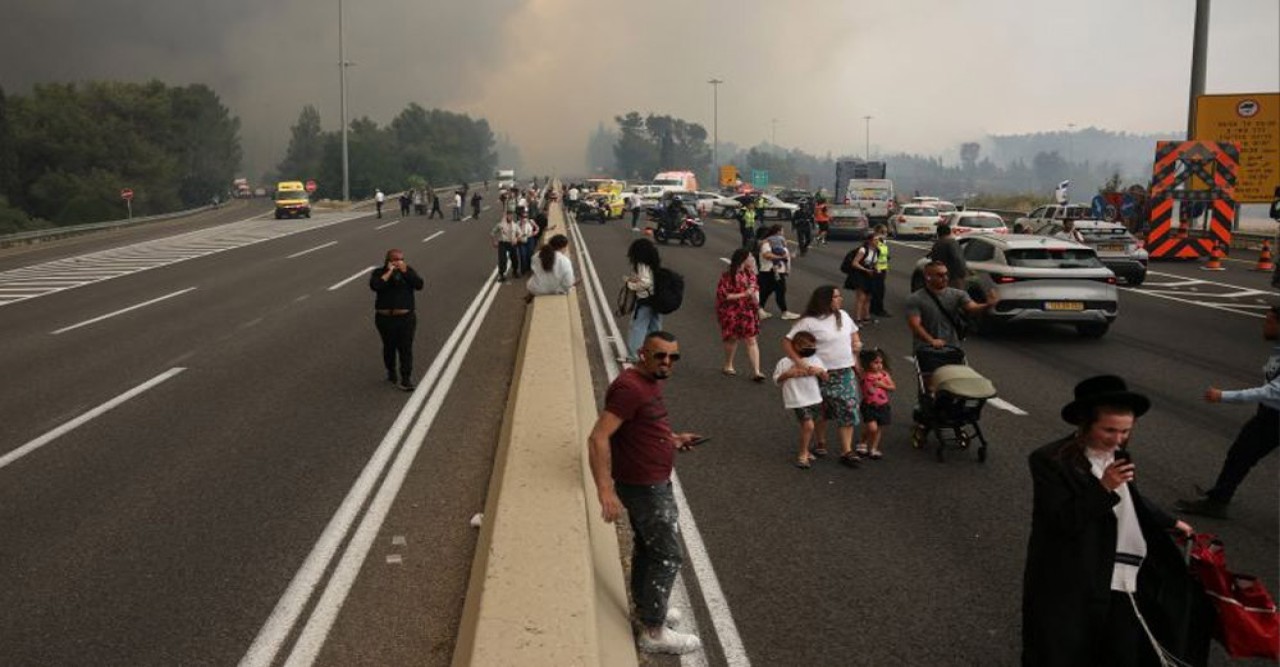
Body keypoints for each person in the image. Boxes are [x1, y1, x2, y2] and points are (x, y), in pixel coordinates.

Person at [1023, 375, 1196, 667]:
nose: (1117, 439)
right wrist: (1103, 487)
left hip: (1123, 570)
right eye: (1109, 430)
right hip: (1074, 575)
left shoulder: (1118, 454)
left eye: (1125, 431)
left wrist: (1170, 522)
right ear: (1085, 424)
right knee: (1064, 649)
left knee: (1120, 649)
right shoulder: (1049, 460)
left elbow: (1131, 499)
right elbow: (1062, 521)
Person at [586, 331, 704, 655]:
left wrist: (674, 439)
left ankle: (648, 607)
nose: (667, 362)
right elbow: (597, 438)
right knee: (668, 554)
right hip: (645, 488)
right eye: (660, 355)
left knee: (648, 548)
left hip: (651, 481)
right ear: (643, 354)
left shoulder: (648, 383)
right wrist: (605, 490)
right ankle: (654, 631)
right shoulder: (630, 388)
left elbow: (640, 427)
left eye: (673, 357)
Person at [1175, 304, 1280, 518]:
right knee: (1240, 454)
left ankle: (1217, 501)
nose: (1264, 325)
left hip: (1274, 417)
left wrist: (1222, 396)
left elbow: (1271, 393)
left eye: (1269, 322)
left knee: (1241, 454)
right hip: (1269, 415)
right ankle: (1219, 497)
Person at [782, 286, 865, 467]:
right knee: (821, 410)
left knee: (849, 407)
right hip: (818, 373)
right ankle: (820, 441)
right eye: (836, 297)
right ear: (824, 300)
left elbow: (853, 333)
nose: (840, 299)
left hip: (844, 371)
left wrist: (857, 343)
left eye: (839, 296)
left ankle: (846, 451)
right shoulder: (809, 322)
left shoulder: (843, 315)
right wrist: (801, 362)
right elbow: (787, 342)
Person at [905, 261, 997, 350]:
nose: (945, 278)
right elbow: (915, 325)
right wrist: (931, 341)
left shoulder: (958, 294)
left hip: (952, 348)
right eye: (940, 275)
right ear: (928, 277)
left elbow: (972, 308)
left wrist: (988, 305)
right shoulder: (915, 299)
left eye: (946, 274)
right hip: (926, 349)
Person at [368, 249, 424, 391]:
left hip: (405, 318)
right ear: (387, 261)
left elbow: (419, 285)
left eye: (401, 259)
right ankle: (391, 371)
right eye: (394, 260)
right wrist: (388, 273)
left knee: (405, 347)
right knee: (389, 346)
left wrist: (405, 272)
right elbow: (375, 286)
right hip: (384, 319)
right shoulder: (378, 273)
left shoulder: (408, 271)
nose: (398, 262)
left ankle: (406, 379)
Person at [773, 330, 828, 469]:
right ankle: (802, 455)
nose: (810, 348)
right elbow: (776, 380)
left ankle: (807, 449)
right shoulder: (784, 362)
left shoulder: (815, 359)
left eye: (812, 345)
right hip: (798, 399)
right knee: (808, 425)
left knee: (811, 425)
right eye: (806, 345)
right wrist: (788, 374)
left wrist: (820, 372)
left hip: (815, 398)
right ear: (795, 346)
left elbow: (826, 377)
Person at [715, 248, 764, 381]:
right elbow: (723, 295)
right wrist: (744, 294)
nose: (752, 260)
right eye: (750, 258)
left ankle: (757, 371)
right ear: (743, 259)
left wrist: (755, 298)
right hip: (731, 312)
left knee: (751, 339)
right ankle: (728, 364)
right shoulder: (728, 276)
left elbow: (755, 290)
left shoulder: (751, 275)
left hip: (748, 311)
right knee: (732, 339)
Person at [622, 239, 663, 363]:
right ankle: (656, 351)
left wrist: (630, 285)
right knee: (654, 327)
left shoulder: (641, 265)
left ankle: (634, 355)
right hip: (657, 299)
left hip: (645, 300)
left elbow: (645, 282)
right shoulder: (653, 263)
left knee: (637, 327)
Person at [858, 348, 895, 460]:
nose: (879, 365)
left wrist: (882, 385)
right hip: (869, 405)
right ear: (868, 363)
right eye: (875, 363)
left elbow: (893, 387)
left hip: (883, 405)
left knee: (878, 428)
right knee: (872, 428)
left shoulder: (884, 375)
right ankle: (863, 441)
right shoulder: (864, 374)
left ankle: (873, 448)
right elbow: (856, 366)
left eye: (881, 362)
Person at [757, 225, 799, 320]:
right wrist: (782, 257)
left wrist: (790, 257)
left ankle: (759, 309)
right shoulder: (768, 243)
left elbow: (784, 255)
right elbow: (766, 255)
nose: (783, 234)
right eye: (782, 231)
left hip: (777, 271)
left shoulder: (778, 243)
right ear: (778, 232)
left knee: (767, 291)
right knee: (780, 290)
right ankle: (784, 312)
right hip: (772, 271)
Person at [842, 233, 879, 324]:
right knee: (861, 297)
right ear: (869, 241)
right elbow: (854, 263)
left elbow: (874, 262)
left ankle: (866, 317)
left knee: (869, 297)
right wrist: (865, 270)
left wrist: (876, 269)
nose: (878, 241)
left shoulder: (877, 250)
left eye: (878, 240)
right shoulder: (863, 250)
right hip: (859, 275)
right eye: (875, 240)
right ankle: (857, 319)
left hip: (869, 274)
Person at [928, 223, 967, 290]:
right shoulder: (952, 243)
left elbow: (934, 260)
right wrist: (963, 273)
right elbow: (958, 259)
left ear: (938, 233)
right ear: (949, 232)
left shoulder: (937, 244)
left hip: (940, 276)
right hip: (953, 277)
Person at [490, 213, 521, 283]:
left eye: (511, 216)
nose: (510, 217)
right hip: (503, 243)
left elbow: (520, 234)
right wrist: (494, 242)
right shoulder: (501, 225)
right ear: (506, 216)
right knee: (502, 259)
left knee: (515, 258)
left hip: (512, 243)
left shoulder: (515, 225)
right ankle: (502, 274)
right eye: (509, 215)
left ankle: (515, 271)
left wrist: (516, 239)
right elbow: (492, 233)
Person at [870, 224, 892, 318]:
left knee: (880, 290)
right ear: (877, 232)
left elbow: (883, 255)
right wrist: (877, 268)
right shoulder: (875, 241)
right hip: (876, 269)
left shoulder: (883, 241)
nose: (885, 234)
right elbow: (873, 256)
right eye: (883, 232)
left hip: (882, 268)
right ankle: (878, 310)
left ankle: (875, 308)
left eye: (886, 232)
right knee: (878, 290)